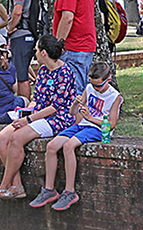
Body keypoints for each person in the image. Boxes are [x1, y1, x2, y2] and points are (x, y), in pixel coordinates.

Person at [0, 35, 76, 206]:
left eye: (36, 49)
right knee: (1, 137)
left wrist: (28, 120)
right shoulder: (43, 71)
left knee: (17, 138)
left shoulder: (66, 73)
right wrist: (24, 112)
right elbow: (38, 99)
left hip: (58, 118)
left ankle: (3, 186)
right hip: (37, 114)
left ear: (43, 52)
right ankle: (17, 185)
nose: (34, 52)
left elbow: (55, 107)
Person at [28, 61, 122, 211]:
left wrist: (90, 118)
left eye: (99, 85)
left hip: (97, 128)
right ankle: (49, 189)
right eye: (93, 84)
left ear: (108, 80)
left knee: (68, 146)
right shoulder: (89, 88)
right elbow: (72, 113)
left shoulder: (114, 96)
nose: (96, 88)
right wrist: (76, 104)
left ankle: (70, 191)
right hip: (81, 125)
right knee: (51, 146)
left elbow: (111, 124)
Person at [50, 0, 97, 95]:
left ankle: (75, 119)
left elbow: (68, 17)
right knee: (80, 90)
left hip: (73, 46)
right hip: (85, 45)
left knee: (72, 92)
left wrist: (58, 43)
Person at [0, 0, 38, 102]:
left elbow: (17, 11)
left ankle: (23, 107)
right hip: (29, 35)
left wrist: (10, 28)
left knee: (21, 75)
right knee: (22, 72)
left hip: (21, 35)